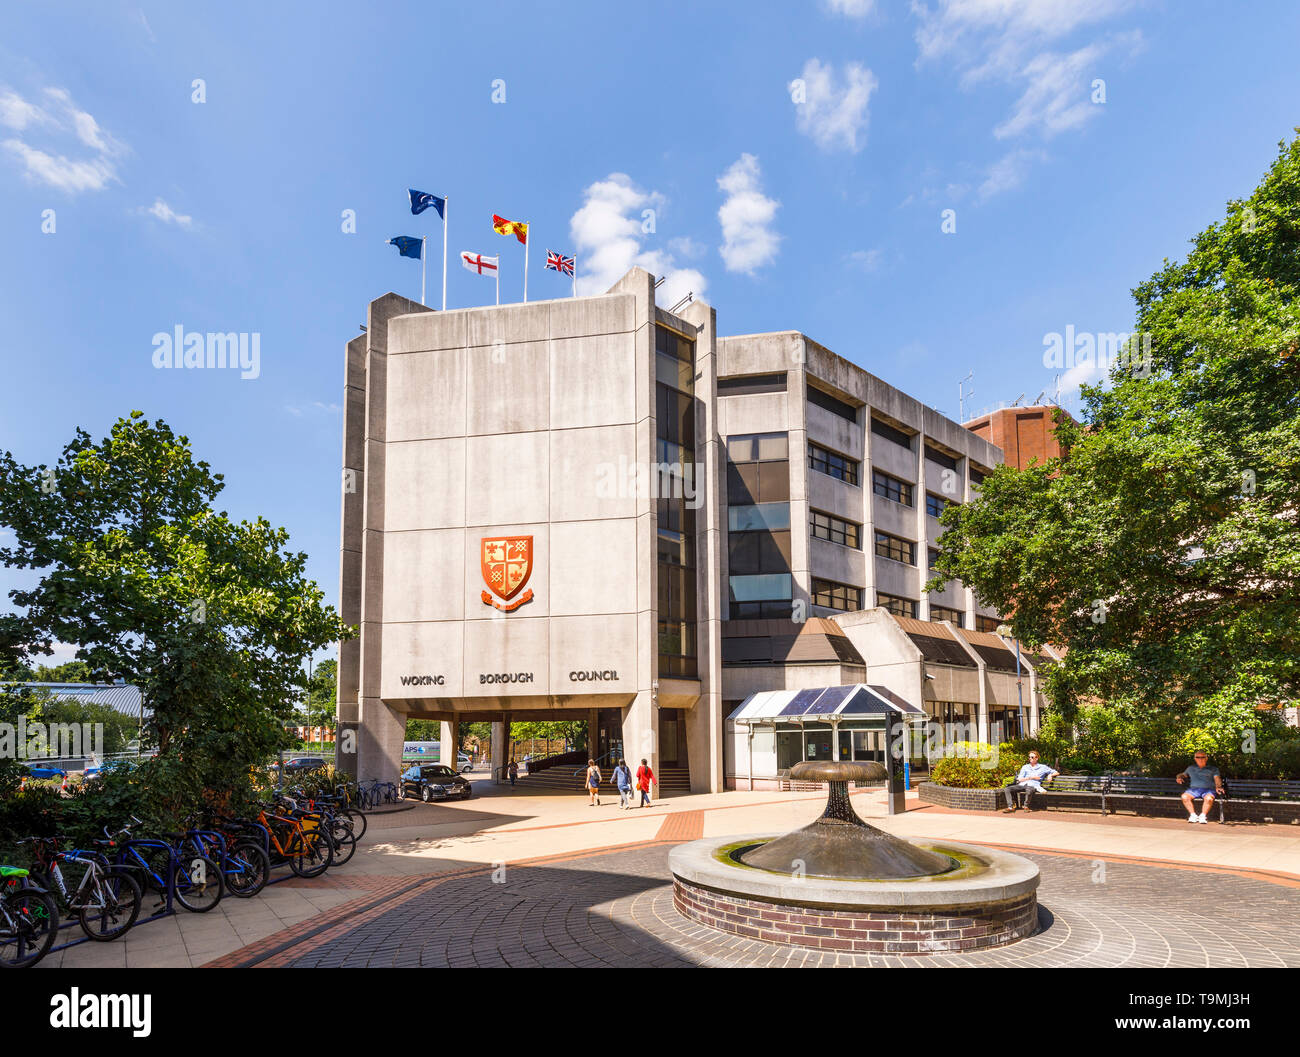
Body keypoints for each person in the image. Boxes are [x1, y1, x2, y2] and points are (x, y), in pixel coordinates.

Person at [1175, 751, 1224, 823]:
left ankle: (1203, 816)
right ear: (1195, 758)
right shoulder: (1191, 768)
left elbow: (1217, 778)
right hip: (1193, 790)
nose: (1200, 759)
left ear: (1206, 758)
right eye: (1198, 757)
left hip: (1208, 789)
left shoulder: (1213, 769)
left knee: (1209, 799)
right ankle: (1193, 815)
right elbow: (1182, 774)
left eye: (1202, 757)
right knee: (1184, 797)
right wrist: (1179, 777)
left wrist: (1218, 787)